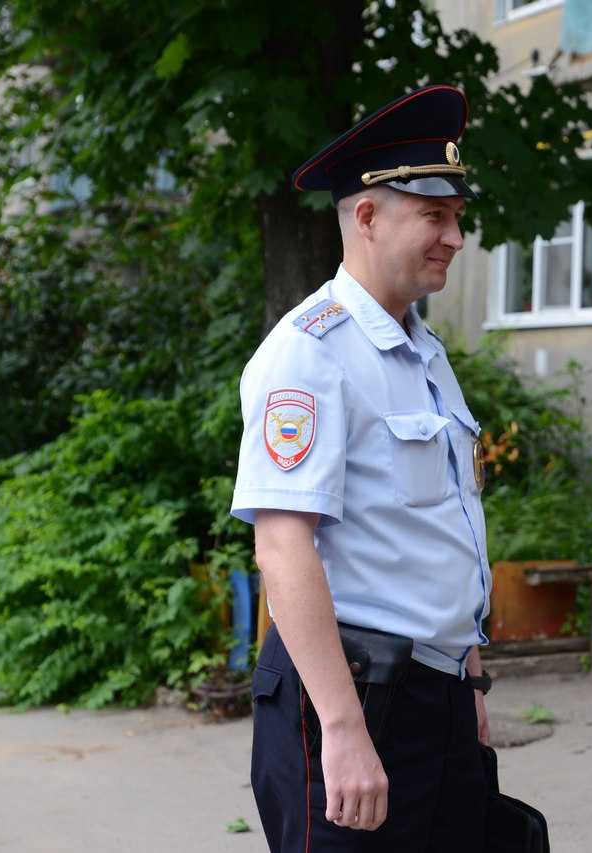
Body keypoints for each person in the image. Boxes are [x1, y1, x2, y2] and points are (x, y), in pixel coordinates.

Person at [230, 85, 493, 852]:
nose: (454, 237)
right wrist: (342, 729)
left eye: (456, 217)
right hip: (352, 698)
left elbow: (438, 522)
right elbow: (282, 546)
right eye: (435, 216)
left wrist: (467, 676)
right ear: (369, 216)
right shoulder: (309, 351)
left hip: (435, 695)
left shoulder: (424, 352)